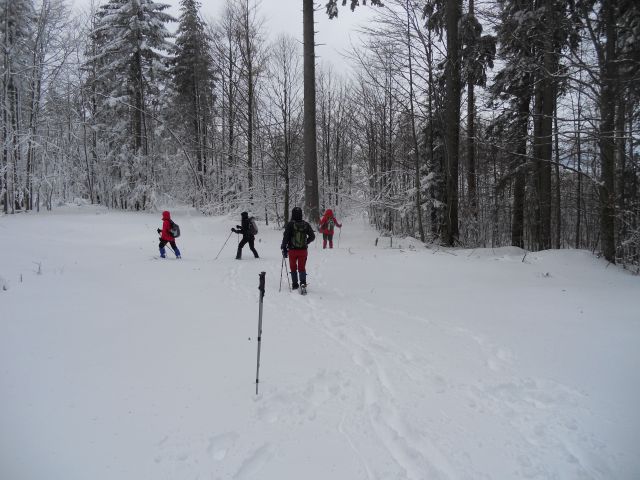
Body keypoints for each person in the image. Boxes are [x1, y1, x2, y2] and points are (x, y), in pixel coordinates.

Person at [281, 207, 315, 289]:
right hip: (303, 250)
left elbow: (285, 237)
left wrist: (283, 247)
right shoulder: (306, 224)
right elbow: (312, 236)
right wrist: (306, 241)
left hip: (292, 250)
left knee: (293, 267)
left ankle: (295, 284)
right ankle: (303, 283)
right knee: (302, 267)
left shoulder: (290, 224)